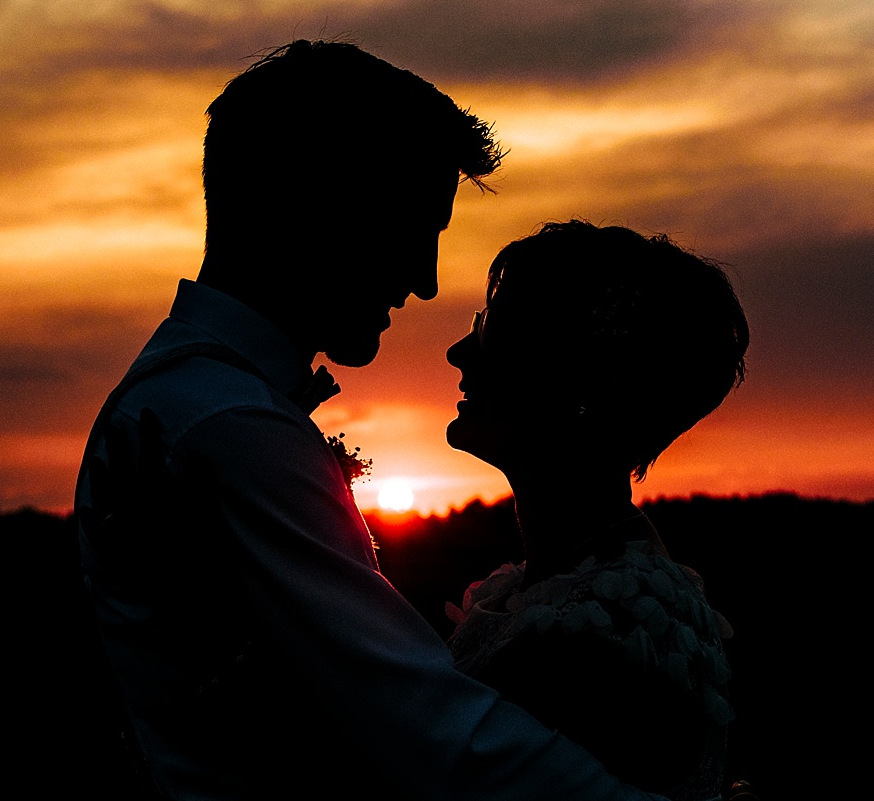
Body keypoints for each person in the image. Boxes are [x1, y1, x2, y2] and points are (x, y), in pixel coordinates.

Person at [75, 41, 668, 801]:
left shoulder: (194, 403)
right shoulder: (226, 427)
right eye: (413, 228)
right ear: (320, 210)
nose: (422, 282)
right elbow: (423, 724)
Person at [445, 220, 751, 801]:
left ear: (596, 382)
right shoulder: (577, 591)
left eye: (496, 330)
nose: (460, 352)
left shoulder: (587, 643)